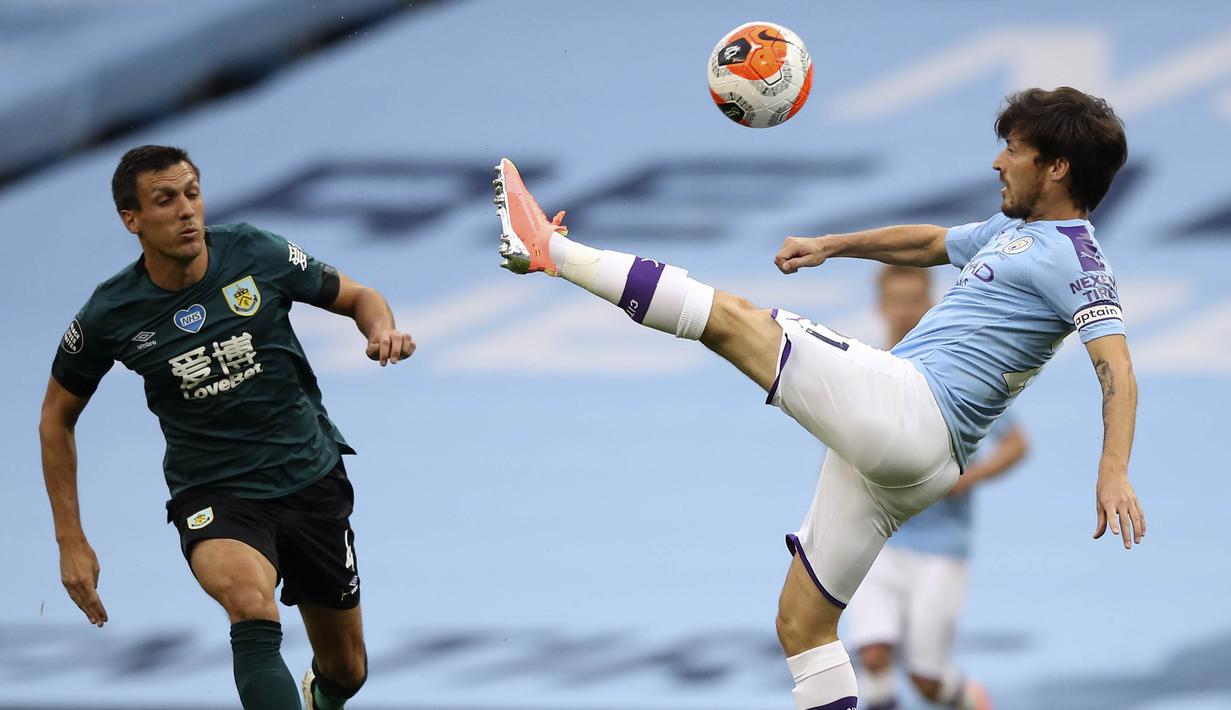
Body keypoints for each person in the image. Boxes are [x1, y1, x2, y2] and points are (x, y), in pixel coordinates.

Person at [491, 86, 1144, 710]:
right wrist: (833, 245)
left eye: (1014, 151)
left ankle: (549, 249)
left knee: (734, 321)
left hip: (912, 412)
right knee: (801, 626)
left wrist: (1111, 470)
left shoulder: (1078, 262)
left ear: (1055, 167)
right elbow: (926, 242)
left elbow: (1114, 365)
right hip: (909, 457)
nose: (998, 161)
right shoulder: (1013, 234)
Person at [40, 145, 415, 710]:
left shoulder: (253, 252)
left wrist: (380, 329)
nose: (187, 210)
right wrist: (71, 539)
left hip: (308, 475)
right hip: (214, 490)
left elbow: (359, 296)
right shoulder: (110, 314)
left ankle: (322, 695)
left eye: (192, 193)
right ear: (131, 220)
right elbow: (55, 418)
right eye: (165, 200)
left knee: (348, 669)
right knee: (248, 601)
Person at [845, 266, 1029, 710]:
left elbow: (1016, 444)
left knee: (928, 680)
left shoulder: (958, 372)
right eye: (897, 300)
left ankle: (972, 701)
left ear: (930, 304)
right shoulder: (858, 368)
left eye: (914, 299)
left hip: (941, 548)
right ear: (881, 306)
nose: (906, 310)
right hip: (875, 540)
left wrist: (966, 479)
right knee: (872, 653)